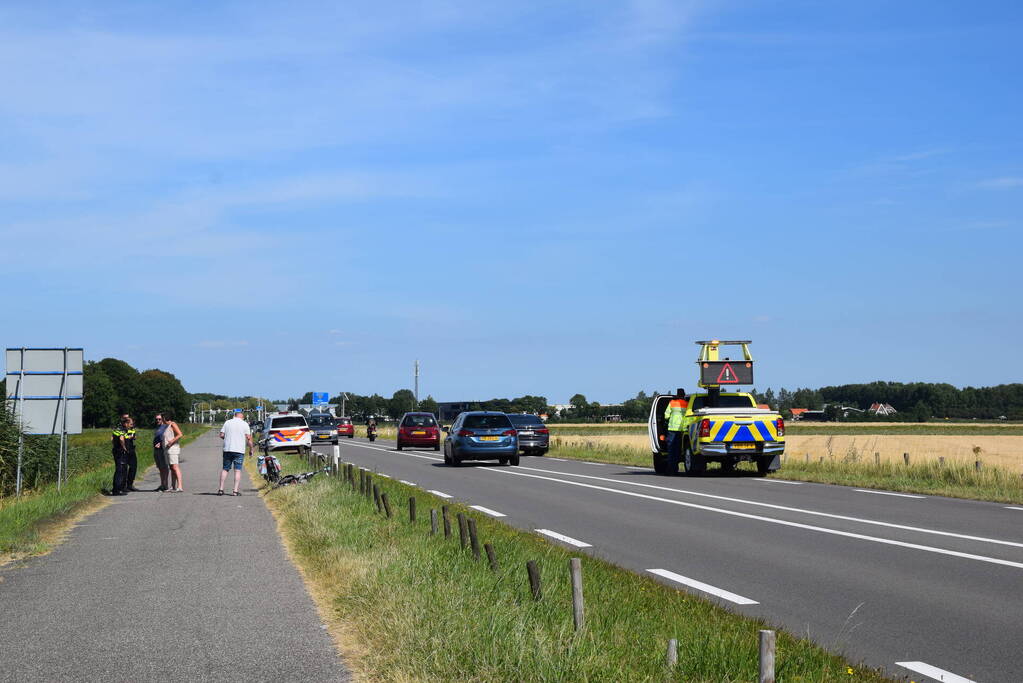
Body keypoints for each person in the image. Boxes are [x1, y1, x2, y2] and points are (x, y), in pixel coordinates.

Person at [218, 409, 253, 496]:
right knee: (237, 470)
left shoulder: (227, 422)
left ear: (235, 415)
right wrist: (251, 449)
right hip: (239, 450)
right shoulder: (245, 424)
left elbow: (221, 435)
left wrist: (226, 439)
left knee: (225, 469)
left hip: (228, 449)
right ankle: (235, 491)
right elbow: (249, 438)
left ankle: (221, 489)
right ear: (242, 416)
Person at [109, 415, 136, 495]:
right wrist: (124, 448)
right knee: (120, 471)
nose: (130, 426)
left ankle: (118, 489)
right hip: (120, 452)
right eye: (130, 424)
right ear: (126, 424)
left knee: (120, 470)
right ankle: (116, 490)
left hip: (117, 451)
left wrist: (115, 445)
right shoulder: (122, 430)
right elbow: (121, 439)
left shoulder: (118, 429)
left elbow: (112, 439)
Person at [664, 388, 688, 474]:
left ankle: (672, 469)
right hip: (682, 429)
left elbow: (666, 415)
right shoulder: (687, 404)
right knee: (678, 449)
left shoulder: (672, 403)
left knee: (671, 449)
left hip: (672, 428)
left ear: (677, 395)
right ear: (684, 395)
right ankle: (677, 466)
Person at [163, 411, 184, 492]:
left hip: (173, 449)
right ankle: (173, 486)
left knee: (175, 467)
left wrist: (171, 442)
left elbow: (180, 434)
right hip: (168, 449)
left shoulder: (173, 424)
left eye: (162, 418)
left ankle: (180, 486)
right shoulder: (166, 426)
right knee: (172, 467)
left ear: (165, 418)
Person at [153, 413, 170, 491]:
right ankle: (162, 484)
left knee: (164, 468)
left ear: (162, 419)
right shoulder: (157, 427)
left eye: (159, 419)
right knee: (160, 468)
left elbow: (167, 437)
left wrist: (161, 443)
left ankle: (165, 485)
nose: (158, 420)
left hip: (162, 450)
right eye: (156, 419)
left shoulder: (165, 427)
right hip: (156, 450)